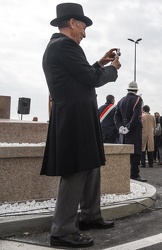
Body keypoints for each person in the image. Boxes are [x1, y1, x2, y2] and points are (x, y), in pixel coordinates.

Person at [41, 3, 120, 248]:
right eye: (83, 27)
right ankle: (62, 231)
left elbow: (83, 73)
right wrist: (112, 69)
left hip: (79, 116)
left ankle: (90, 215)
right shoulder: (65, 46)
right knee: (76, 170)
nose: (85, 33)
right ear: (73, 22)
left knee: (91, 165)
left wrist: (99, 62)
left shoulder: (60, 47)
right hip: (74, 118)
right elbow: (91, 78)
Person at [114, 81, 147, 182]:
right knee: (136, 152)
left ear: (128, 89)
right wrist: (128, 127)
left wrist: (120, 127)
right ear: (136, 90)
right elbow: (136, 116)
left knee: (124, 151)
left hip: (122, 131)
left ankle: (122, 173)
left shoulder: (121, 100)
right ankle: (134, 174)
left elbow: (116, 115)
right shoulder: (138, 99)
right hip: (134, 130)